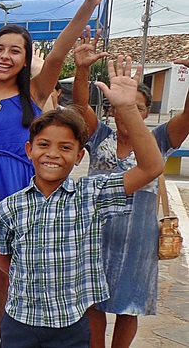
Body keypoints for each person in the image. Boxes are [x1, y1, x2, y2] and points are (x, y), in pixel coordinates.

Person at [0, 0, 111, 321]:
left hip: (16, 187)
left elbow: (58, 52)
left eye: (15, 50)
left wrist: (89, 4)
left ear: (26, 59)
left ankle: (9, 336)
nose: (5, 56)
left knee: (9, 272)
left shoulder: (35, 91)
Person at [0, 57, 165, 347]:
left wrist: (127, 109)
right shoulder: (7, 208)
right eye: (44, 144)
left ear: (79, 156)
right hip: (20, 323)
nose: (53, 154)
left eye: (65, 147)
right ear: (29, 150)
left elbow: (150, 168)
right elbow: (4, 260)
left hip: (72, 326)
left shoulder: (91, 195)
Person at [72, 31, 189, 348]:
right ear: (112, 107)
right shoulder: (100, 136)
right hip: (96, 234)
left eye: (137, 108)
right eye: (122, 106)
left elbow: (188, 116)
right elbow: (81, 106)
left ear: (146, 112)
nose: (128, 113)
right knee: (93, 303)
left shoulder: (160, 139)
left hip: (138, 238)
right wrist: (82, 69)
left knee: (130, 305)